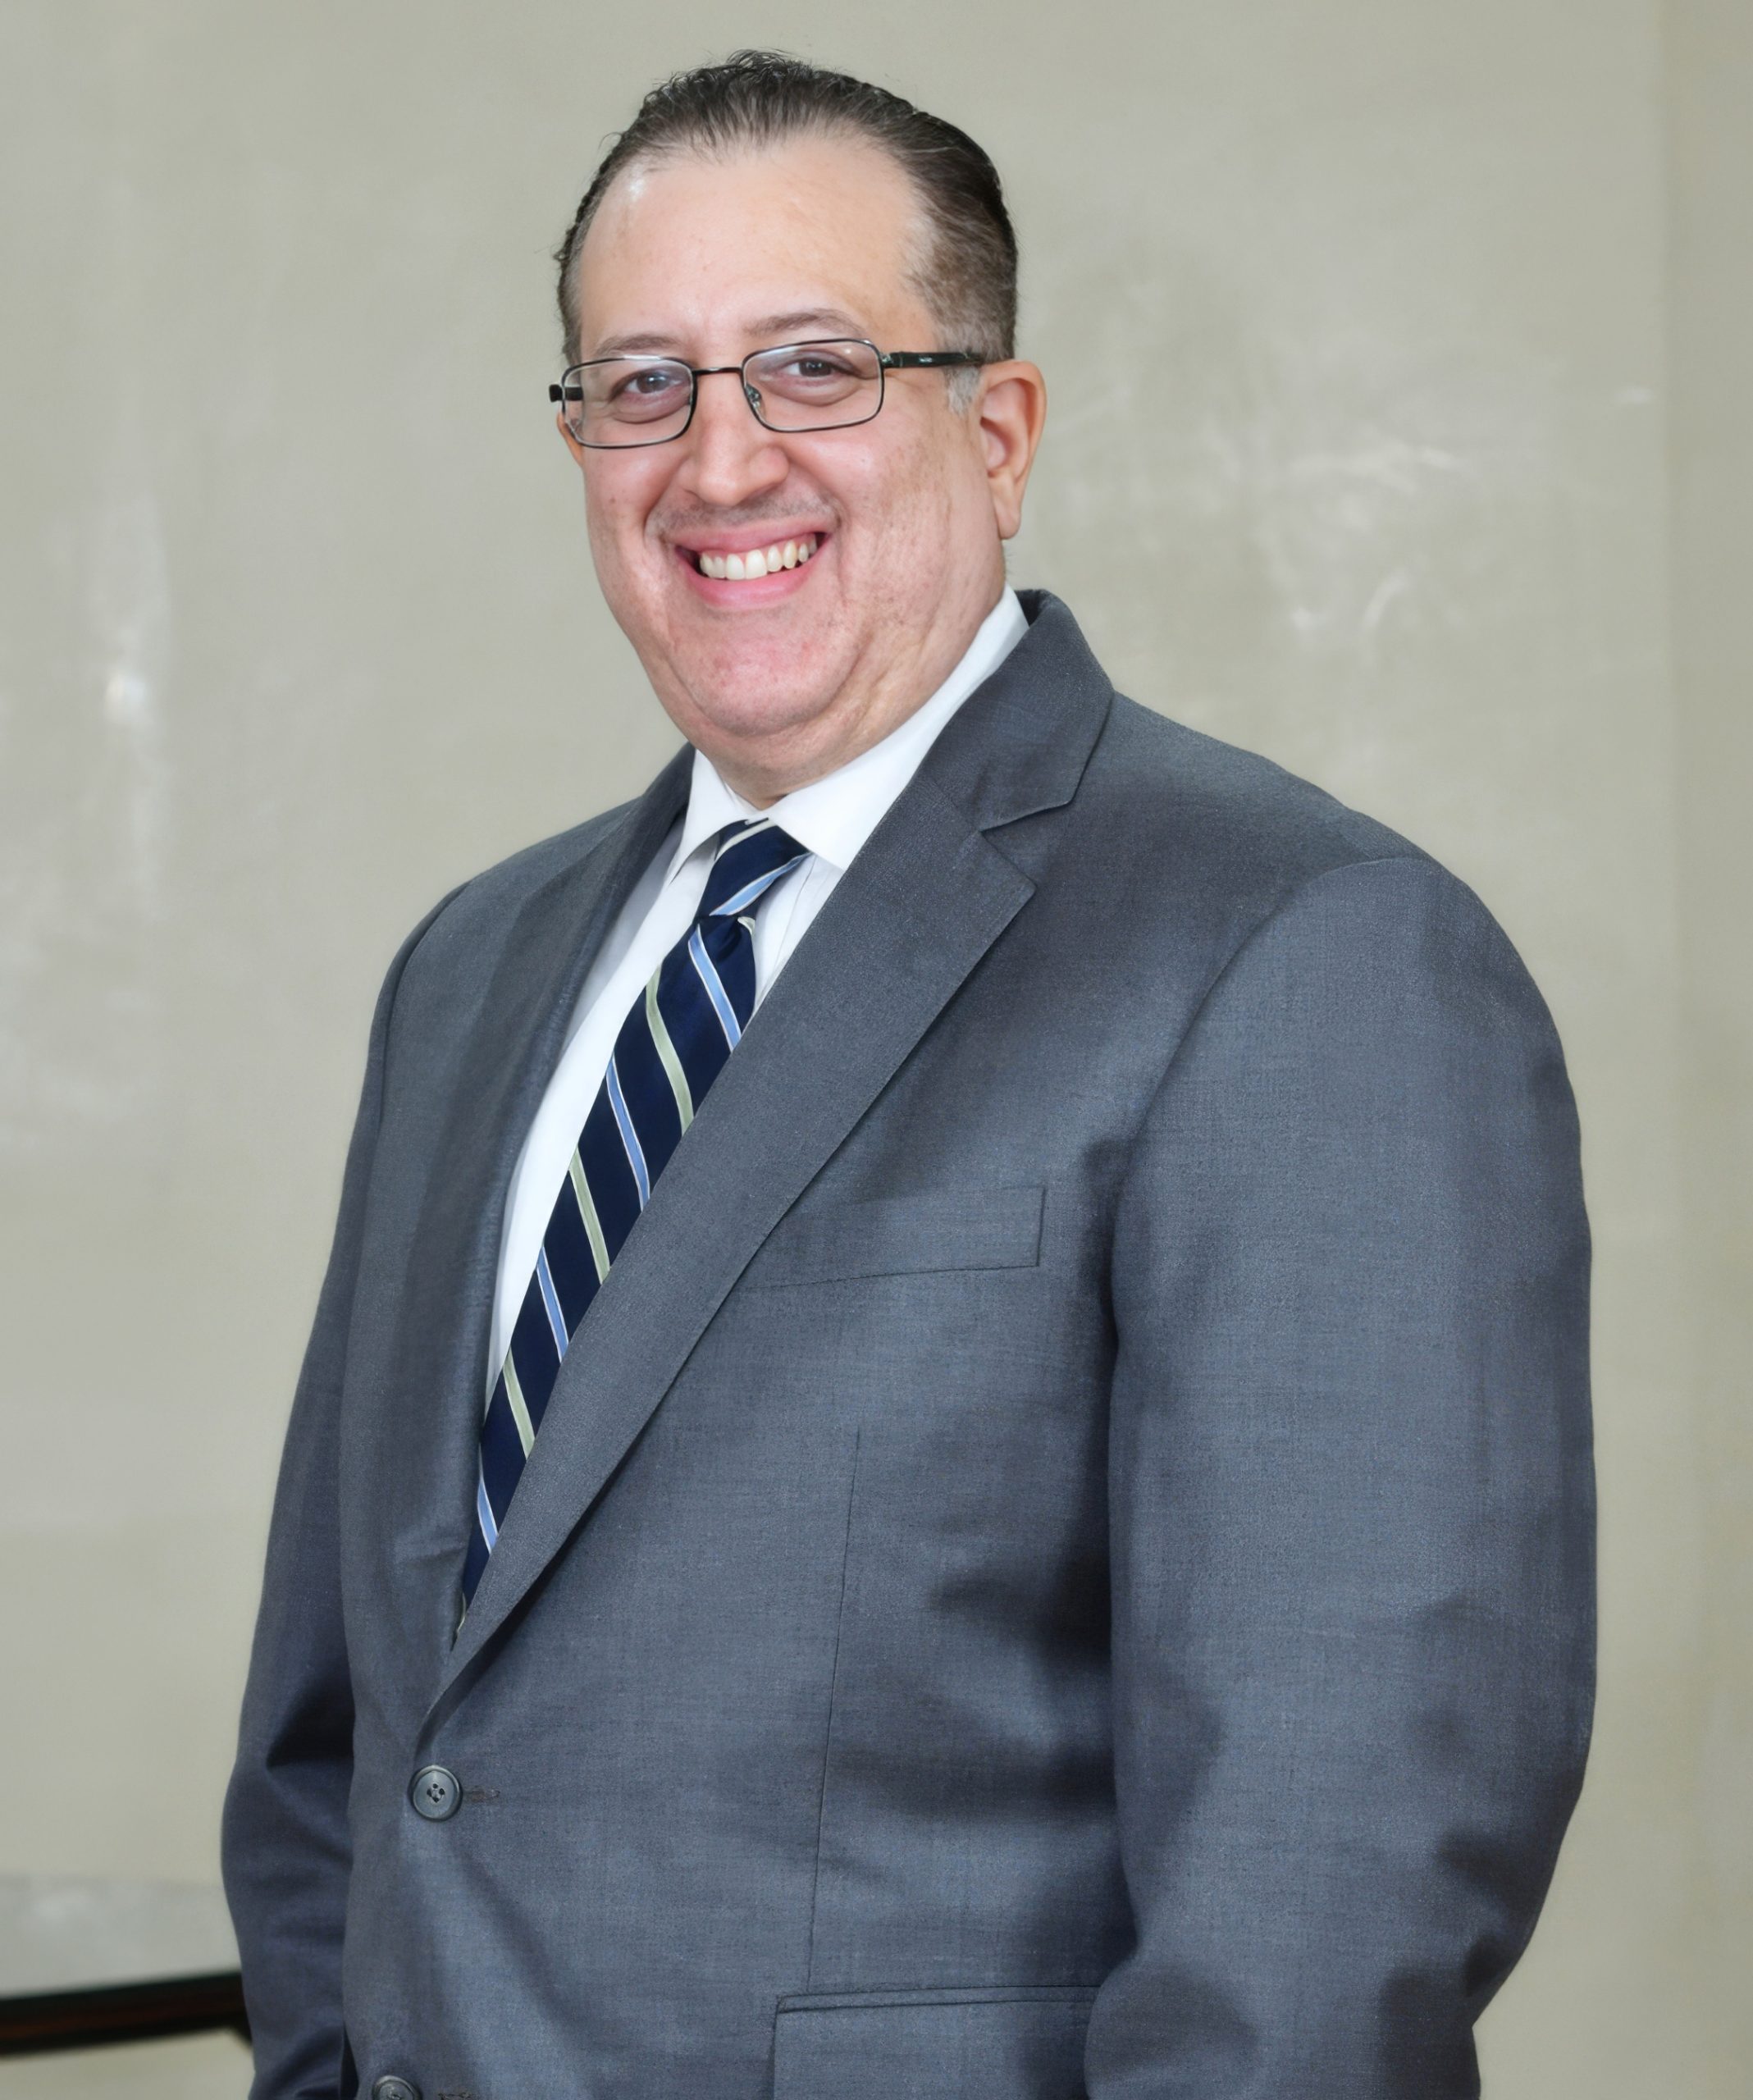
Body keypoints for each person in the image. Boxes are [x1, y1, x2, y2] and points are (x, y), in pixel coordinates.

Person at [221, 50, 1595, 2100]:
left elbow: (1328, 1895)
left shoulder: (1300, 952)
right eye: (643, 383)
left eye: (815, 368)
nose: (720, 461)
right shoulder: (470, 971)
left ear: (999, 427)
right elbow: (342, 1747)